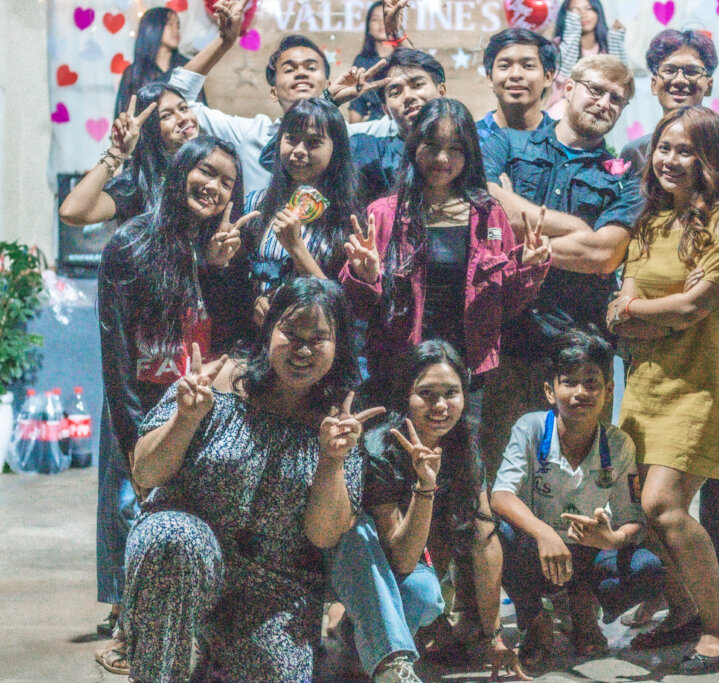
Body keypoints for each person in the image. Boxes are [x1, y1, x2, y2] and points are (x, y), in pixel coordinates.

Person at [122, 277, 381, 681]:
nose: (303, 349)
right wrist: (185, 419)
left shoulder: (340, 421)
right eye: (291, 333)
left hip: (274, 589)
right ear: (269, 330)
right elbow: (144, 472)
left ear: (339, 346)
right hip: (189, 556)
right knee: (171, 538)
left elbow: (324, 535)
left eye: (318, 339)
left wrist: (332, 460)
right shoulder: (216, 381)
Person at [95, 135, 258, 675]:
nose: (213, 187)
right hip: (145, 411)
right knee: (134, 513)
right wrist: (132, 442)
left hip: (205, 415)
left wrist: (219, 268)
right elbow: (117, 356)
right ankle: (135, 635)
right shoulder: (131, 243)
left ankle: (193, 635)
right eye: (205, 172)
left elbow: (237, 338)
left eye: (227, 182)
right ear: (181, 169)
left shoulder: (226, 250)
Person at [606, 105, 719, 675]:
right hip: (647, 384)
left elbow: (693, 308)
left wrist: (640, 312)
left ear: (709, 158)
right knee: (644, 506)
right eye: (664, 147)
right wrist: (645, 314)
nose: (670, 159)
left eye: (685, 149)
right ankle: (687, 610)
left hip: (703, 381)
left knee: (663, 505)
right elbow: (622, 309)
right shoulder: (648, 222)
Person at [480, 54, 642, 481]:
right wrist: (577, 228)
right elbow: (492, 207)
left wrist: (523, 244)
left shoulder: (625, 177)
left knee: (574, 482)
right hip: (509, 343)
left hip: (581, 354)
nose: (604, 103)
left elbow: (604, 254)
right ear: (568, 88)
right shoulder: (509, 145)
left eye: (616, 99)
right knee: (501, 479)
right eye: (596, 90)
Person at [341, 97, 550, 416]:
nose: (442, 158)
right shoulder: (383, 214)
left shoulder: (488, 214)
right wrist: (365, 277)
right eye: (432, 146)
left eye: (455, 148)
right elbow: (357, 309)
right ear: (414, 145)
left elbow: (505, 305)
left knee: (462, 449)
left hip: (467, 374)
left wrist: (528, 268)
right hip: (399, 371)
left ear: (469, 154)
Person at [490, 330, 664, 667]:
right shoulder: (531, 428)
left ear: (608, 391)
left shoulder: (618, 444)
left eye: (591, 383)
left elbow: (634, 521)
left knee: (648, 569)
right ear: (549, 391)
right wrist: (544, 533)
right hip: (535, 552)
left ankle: (583, 606)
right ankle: (535, 619)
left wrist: (612, 538)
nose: (580, 392)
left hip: (588, 552)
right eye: (569, 382)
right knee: (495, 533)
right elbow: (500, 495)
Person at [358, 340, 529, 680]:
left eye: (451, 393)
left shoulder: (463, 445)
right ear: (406, 396)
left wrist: (494, 636)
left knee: (491, 530)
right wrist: (425, 485)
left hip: (424, 560)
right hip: (374, 570)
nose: (440, 405)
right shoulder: (379, 450)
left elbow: (484, 537)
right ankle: (364, 636)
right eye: (426, 394)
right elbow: (401, 560)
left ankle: (439, 625)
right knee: (418, 595)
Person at [168, 0, 396, 194]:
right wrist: (224, 42)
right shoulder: (251, 134)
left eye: (311, 67)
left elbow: (412, 119)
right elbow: (176, 100)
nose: (301, 73)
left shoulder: (352, 136)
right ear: (273, 91)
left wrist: (397, 37)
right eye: (289, 69)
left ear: (328, 84)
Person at [237, 98, 362, 328]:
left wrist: (295, 247)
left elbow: (343, 307)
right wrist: (256, 300)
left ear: (336, 149)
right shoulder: (255, 204)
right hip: (257, 337)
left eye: (314, 143)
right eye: (291, 139)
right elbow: (238, 280)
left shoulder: (350, 220)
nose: (299, 151)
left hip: (315, 337)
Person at [60, 84, 199, 227]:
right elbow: (71, 212)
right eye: (166, 116)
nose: (182, 118)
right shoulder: (135, 185)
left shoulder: (209, 164)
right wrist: (117, 152)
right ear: (150, 130)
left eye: (184, 108)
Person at [349, 48, 448, 202]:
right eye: (395, 92)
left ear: (441, 91)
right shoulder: (373, 153)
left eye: (417, 85)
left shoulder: (473, 144)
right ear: (385, 110)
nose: (408, 96)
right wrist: (331, 99)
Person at [620, 29, 717, 171]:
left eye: (692, 71)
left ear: (709, 86)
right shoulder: (635, 153)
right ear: (654, 85)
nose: (679, 80)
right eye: (669, 70)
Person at [113, 6, 205, 118]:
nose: (176, 30)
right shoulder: (133, 73)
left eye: (178, 25)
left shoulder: (187, 67)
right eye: (170, 24)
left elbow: (202, 113)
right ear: (153, 27)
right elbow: (122, 116)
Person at [546, 0, 627, 119]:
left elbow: (620, 82)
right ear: (567, 16)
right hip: (558, 112)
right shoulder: (556, 46)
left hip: (596, 112)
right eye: (575, 10)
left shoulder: (605, 49)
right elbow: (563, 74)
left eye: (589, 9)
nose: (583, 14)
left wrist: (616, 40)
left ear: (598, 12)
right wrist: (573, 28)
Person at [477, 28, 558, 142]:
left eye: (528, 66)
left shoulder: (561, 140)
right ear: (490, 77)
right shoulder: (471, 141)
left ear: (547, 77)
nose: (516, 74)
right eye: (504, 66)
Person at [349, 1, 394, 123]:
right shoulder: (362, 61)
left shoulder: (404, 56)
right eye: (375, 19)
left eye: (386, 18)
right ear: (368, 27)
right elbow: (357, 104)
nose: (381, 23)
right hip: (374, 124)